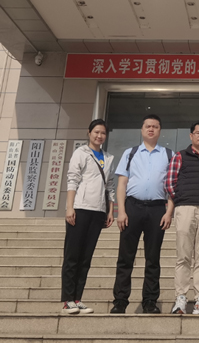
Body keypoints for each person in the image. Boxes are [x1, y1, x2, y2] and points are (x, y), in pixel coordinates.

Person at [110, 114, 174, 314]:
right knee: (125, 257)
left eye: (155, 126)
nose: (151, 129)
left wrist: (169, 212)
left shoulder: (169, 154)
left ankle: (150, 301)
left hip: (157, 209)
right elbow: (122, 184)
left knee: (153, 258)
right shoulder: (130, 153)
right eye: (148, 126)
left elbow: (173, 187)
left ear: (160, 130)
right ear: (142, 129)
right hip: (132, 207)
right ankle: (120, 301)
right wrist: (121, 211)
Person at [61, 119, 115, 314]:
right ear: (89, 132)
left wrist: (110, 211)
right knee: (72, 256)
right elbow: (72, 179)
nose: (99, 136)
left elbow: (110, 186)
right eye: (96, 132)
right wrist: (70, 208)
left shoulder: (108, 157)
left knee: (86, 258)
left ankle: (77, 298)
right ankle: (67, 300)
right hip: (80, 208)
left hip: (98, 211)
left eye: (103, 133)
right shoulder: (81, 153)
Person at [166, 120, 199, 315]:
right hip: (185, 208)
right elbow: (170, 182)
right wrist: (181, 198)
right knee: (183, 256)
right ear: (191, 136)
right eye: (198, 133)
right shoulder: (180, 156)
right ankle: (181, 297)